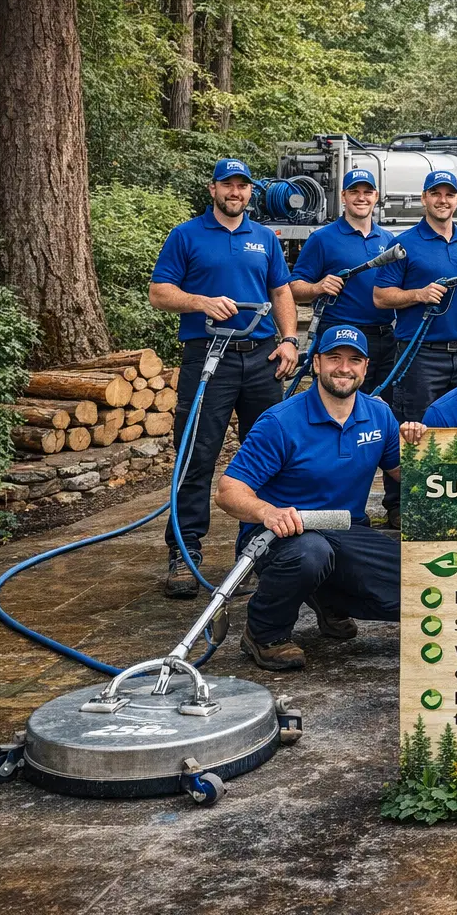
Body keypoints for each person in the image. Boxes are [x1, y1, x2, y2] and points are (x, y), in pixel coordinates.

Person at [150, 157, 298, 598]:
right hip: (207, 357)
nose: (236, 193)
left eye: (243, 186)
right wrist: (200, 302)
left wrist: (289, 339)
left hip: (261, 359)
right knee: (196, 455)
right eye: (228, 185)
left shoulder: (265, 238)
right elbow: (160, 292)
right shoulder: (186, 235)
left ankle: (255, 549)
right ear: (213, 189)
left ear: (251, 192)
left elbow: (281, 291)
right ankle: (185, 551)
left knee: (269, 457)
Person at [214, 325, 401, 671]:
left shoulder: (379, 415)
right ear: (316, 363)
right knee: (311, 553)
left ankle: (327, 597)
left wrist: (423, 445)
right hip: (280, 537)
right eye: (334, 358)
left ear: (365, 367)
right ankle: (264, 633)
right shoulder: (281, 422)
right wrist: (268, 512)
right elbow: (228, 491)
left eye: (354, 360)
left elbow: (404, 475)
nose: (344, 368)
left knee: (417, 588)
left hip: (344, 531)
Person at [290, 167, 403, 527]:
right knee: (335, 418)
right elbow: (293, 287)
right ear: (343, 196)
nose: (362, 197)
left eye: (368, 191)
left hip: (386, 338)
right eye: (355, 191)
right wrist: (318, 286)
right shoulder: (323, 239)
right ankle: (332, 501)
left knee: (387, 418)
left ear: (376, 197)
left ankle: (396, 503)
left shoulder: (389, 240)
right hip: (341, 342)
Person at [372, 169, 457, 425]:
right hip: (420, 357)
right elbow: (381, 297)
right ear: (424, 198)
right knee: (417, 430)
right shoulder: (403, 244)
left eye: (449, 195)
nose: (443, 200)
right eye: (436, 194)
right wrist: (419, 294)